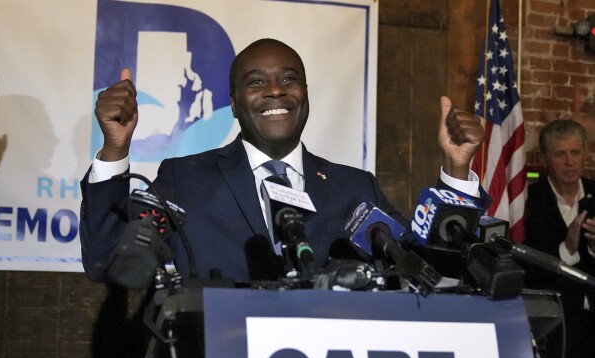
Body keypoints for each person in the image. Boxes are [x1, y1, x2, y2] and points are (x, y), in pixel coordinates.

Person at [80, 38, 486, 284]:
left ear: (305, 93)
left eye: (289, 79)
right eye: (256, 82)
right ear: (235, 105)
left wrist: (456, 170)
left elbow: (432, 270)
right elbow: (107, 263)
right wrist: (114, 149)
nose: (276, 91)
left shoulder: (354, 188)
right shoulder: (186, 179)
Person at [524, 119, 595, 358]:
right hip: (552, 328)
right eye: (560, 155)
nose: (569, 162)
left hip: (591, 323)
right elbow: (527, 269)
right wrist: (568, 247)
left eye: (576, 153)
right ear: (546, 158)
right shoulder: (527, 200)